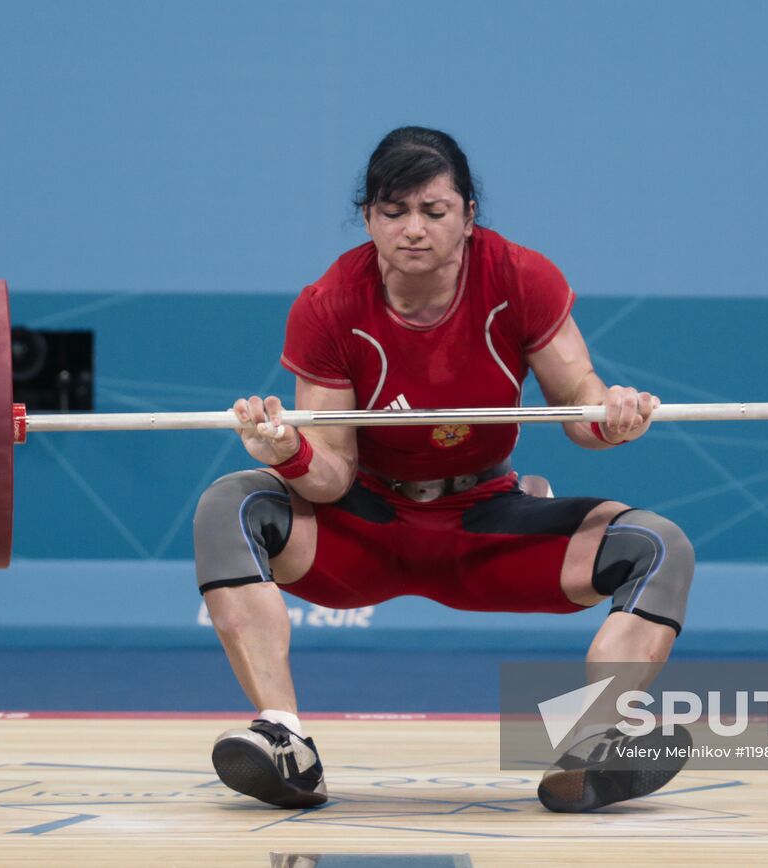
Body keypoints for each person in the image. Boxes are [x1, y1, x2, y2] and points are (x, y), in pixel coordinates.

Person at [194, 127, 695, 813]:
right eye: (394, 211)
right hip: (367, 529)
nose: (413, 229)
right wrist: (289, 453)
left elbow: (577, 401)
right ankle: (286, 742)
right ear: (368, 217)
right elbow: (332, 476)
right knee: (231, 503)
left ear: (467, 215)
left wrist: (609, 415)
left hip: (486, 526)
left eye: (433, 210)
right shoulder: (330, 304)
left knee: (659, 546)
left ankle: (596, 740)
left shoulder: (520, 277)